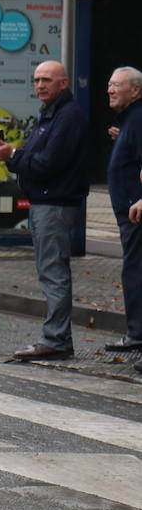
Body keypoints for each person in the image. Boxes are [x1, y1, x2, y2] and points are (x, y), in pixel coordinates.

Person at [0, 60, 89, 360]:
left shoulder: (67, 116)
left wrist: (12, 155)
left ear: (63, 83)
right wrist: (13, 154)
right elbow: (37, 155)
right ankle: (56, 337)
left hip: (54, 203)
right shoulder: (50, 113)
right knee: (50, 270)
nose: (40, 85)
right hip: (45, 201)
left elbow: (48, 163)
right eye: (37, 80)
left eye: (46, 80)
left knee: (53, 272)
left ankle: (56, 339)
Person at [104, 66, 142, 353]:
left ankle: (137, 334)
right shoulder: (131, 120)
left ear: (136, 90)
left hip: (135, 212)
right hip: (130, 211)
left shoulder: (138, 118)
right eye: (109, 85)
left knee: (135, 271)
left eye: (117, 85)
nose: (110, 90)